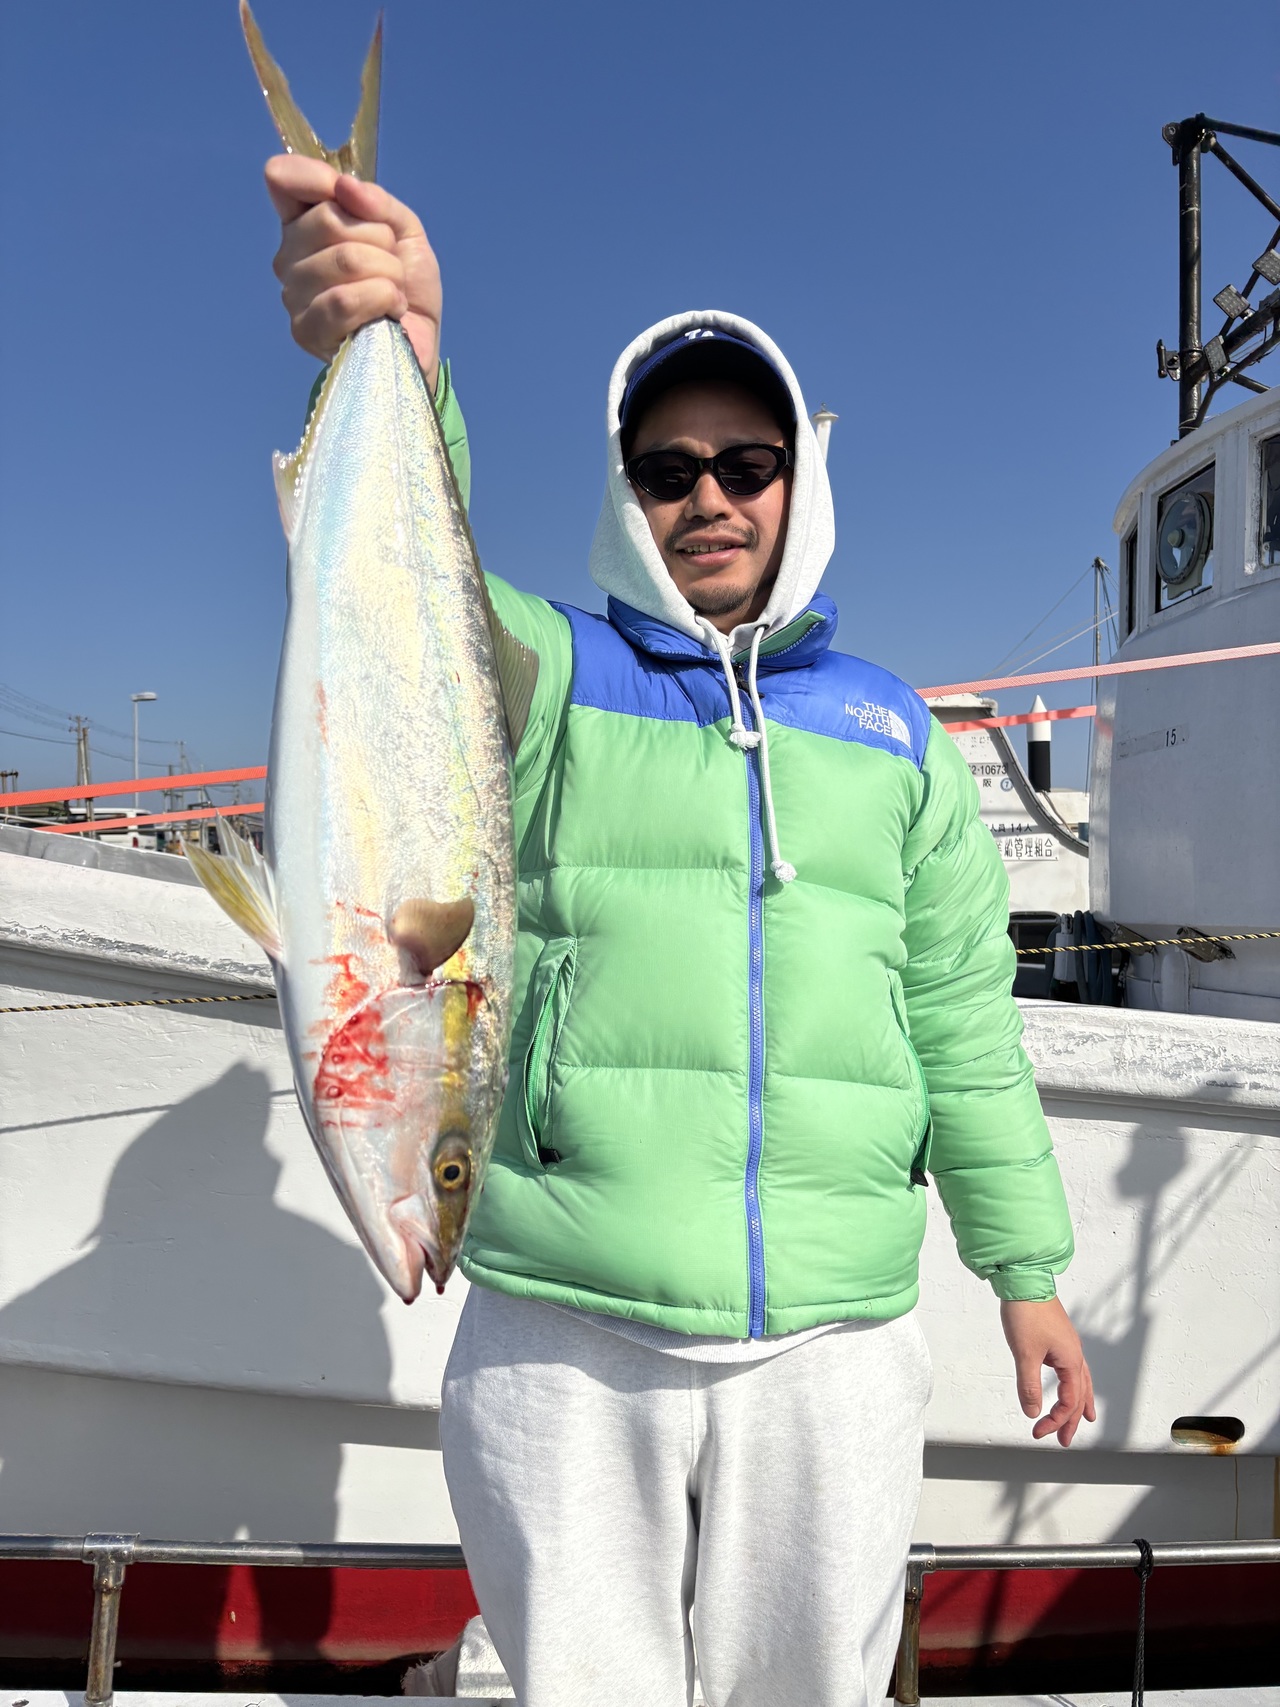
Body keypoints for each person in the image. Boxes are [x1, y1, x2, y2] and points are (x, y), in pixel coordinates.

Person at [264, 157, 1096, 1707]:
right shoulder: (552, 677)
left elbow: (965, 1026)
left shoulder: (900, 734)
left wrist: (1026, 1271)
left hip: (836, 1337)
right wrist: (406, 359)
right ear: (625, 494)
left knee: (812, 1685)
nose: (708, 497)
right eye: (667, 470)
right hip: (565, 1325)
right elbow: (399, 597)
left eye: (746, 463)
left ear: (800, 480)